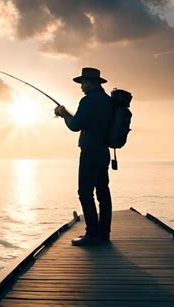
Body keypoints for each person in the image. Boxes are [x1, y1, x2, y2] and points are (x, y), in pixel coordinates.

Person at [55, 67, 114, 246]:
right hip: (104, 152)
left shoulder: (88, 101)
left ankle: (92, 234)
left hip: (90, 152)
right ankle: (104, 233)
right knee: (103, 192)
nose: (81, 87)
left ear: (90, 83)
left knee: (85, 192)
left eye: (83, 83)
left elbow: (75, 125)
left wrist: (64, 114)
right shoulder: (108, 101)